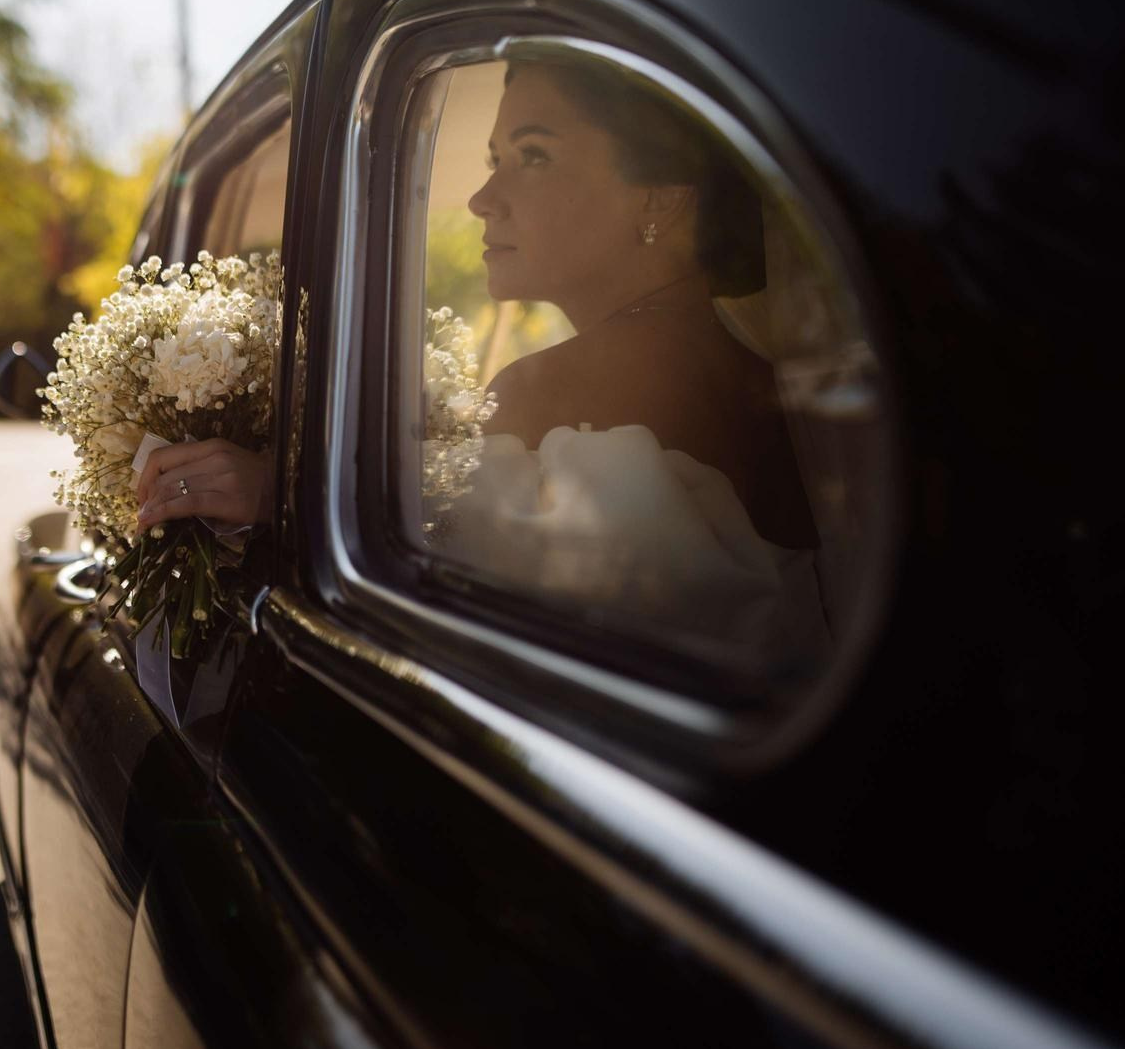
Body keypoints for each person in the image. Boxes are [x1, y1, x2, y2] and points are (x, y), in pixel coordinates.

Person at [137, 54, 825, 654]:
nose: (480, 198)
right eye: (496, 159)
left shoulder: (544, 392)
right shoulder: (778, 370)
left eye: (533, 155)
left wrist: (277, 492)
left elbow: (421, 550)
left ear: (662, 199)